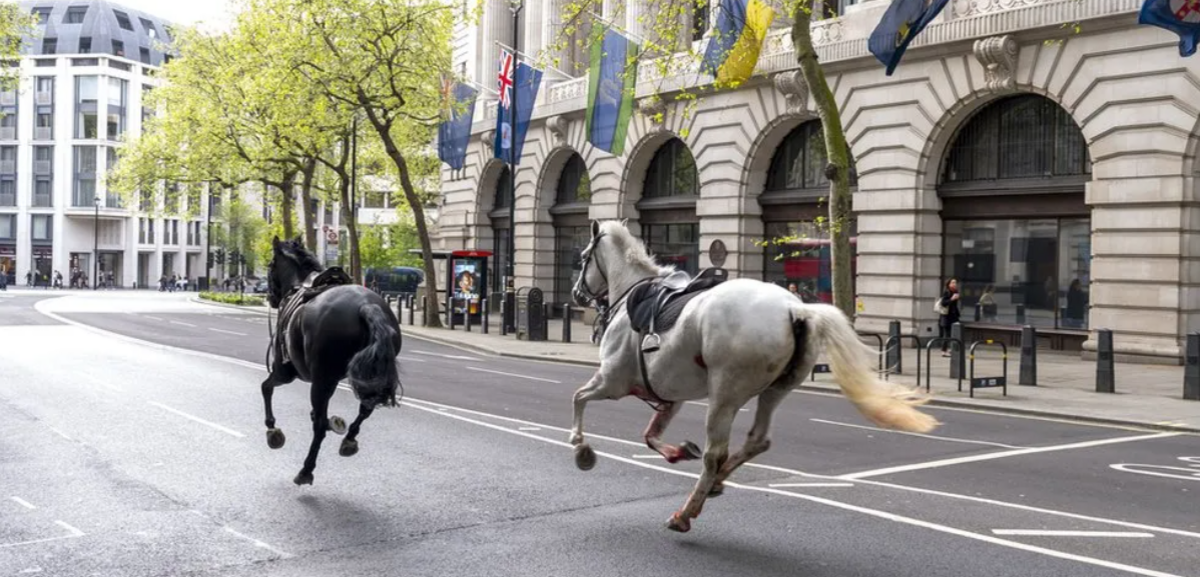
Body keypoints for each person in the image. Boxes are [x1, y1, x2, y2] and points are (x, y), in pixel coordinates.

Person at [938, 278, 961, 357]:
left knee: (955, 332)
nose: (955, 284)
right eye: (953, 282)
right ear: (949, 284)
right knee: (947, 334)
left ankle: (952, 349)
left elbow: (954, 305)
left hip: (954, 316)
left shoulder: (955, 291)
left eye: (955, 282)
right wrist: (952, 299)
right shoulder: (947, 292)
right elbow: (944, 303)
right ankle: (944, 351)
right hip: (947, 317)